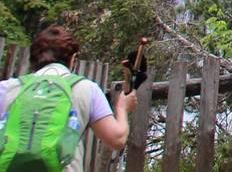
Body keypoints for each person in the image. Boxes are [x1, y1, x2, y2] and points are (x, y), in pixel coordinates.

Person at [0, 25, 136, 172]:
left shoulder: (7, 88)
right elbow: (117, 139)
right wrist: (122, 109)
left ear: (33, 58)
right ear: (73, 59)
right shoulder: (86, 89)